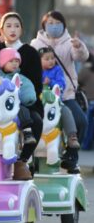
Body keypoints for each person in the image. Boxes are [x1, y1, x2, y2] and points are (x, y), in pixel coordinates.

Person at [0, 12, 43, 180]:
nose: (12, 29)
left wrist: (21, 95)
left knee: (36, 121)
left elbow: (37, 83)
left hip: (23, 101)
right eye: (8, 26)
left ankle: (22, 161)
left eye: (16, 25)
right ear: (1, 29)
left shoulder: (29, 52)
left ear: (22, 29)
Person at [31, 10, 89, 173]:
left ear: (64, 25)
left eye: (58, 23)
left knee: (81, 121)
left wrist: (79, 46)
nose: (54, 26)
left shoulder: (69, 42)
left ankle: (71, 156)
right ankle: (30, 157)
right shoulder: (36, 44)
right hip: (40, 96)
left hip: (65, 95)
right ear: (44, 25)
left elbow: (81, 57)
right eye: (50, 23)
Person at [39, 46, 81, 149]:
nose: (51, 61)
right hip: (40, 101)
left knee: (66, 111)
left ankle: (72, 136)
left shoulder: (57, 70)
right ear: (39, 60)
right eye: (47, 59)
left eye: (52, 58)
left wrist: (51, 82)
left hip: (55, 101)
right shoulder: (36, 70)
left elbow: (62, 84)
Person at [0, 48, 38, 145]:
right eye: (11, 61)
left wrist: (28, 97)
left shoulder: (21, 78)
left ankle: (27, 132)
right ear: (3, 63)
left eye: (17, 61)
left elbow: (28, 88)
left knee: (23, 110)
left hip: (14, 105)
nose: (14, 64)